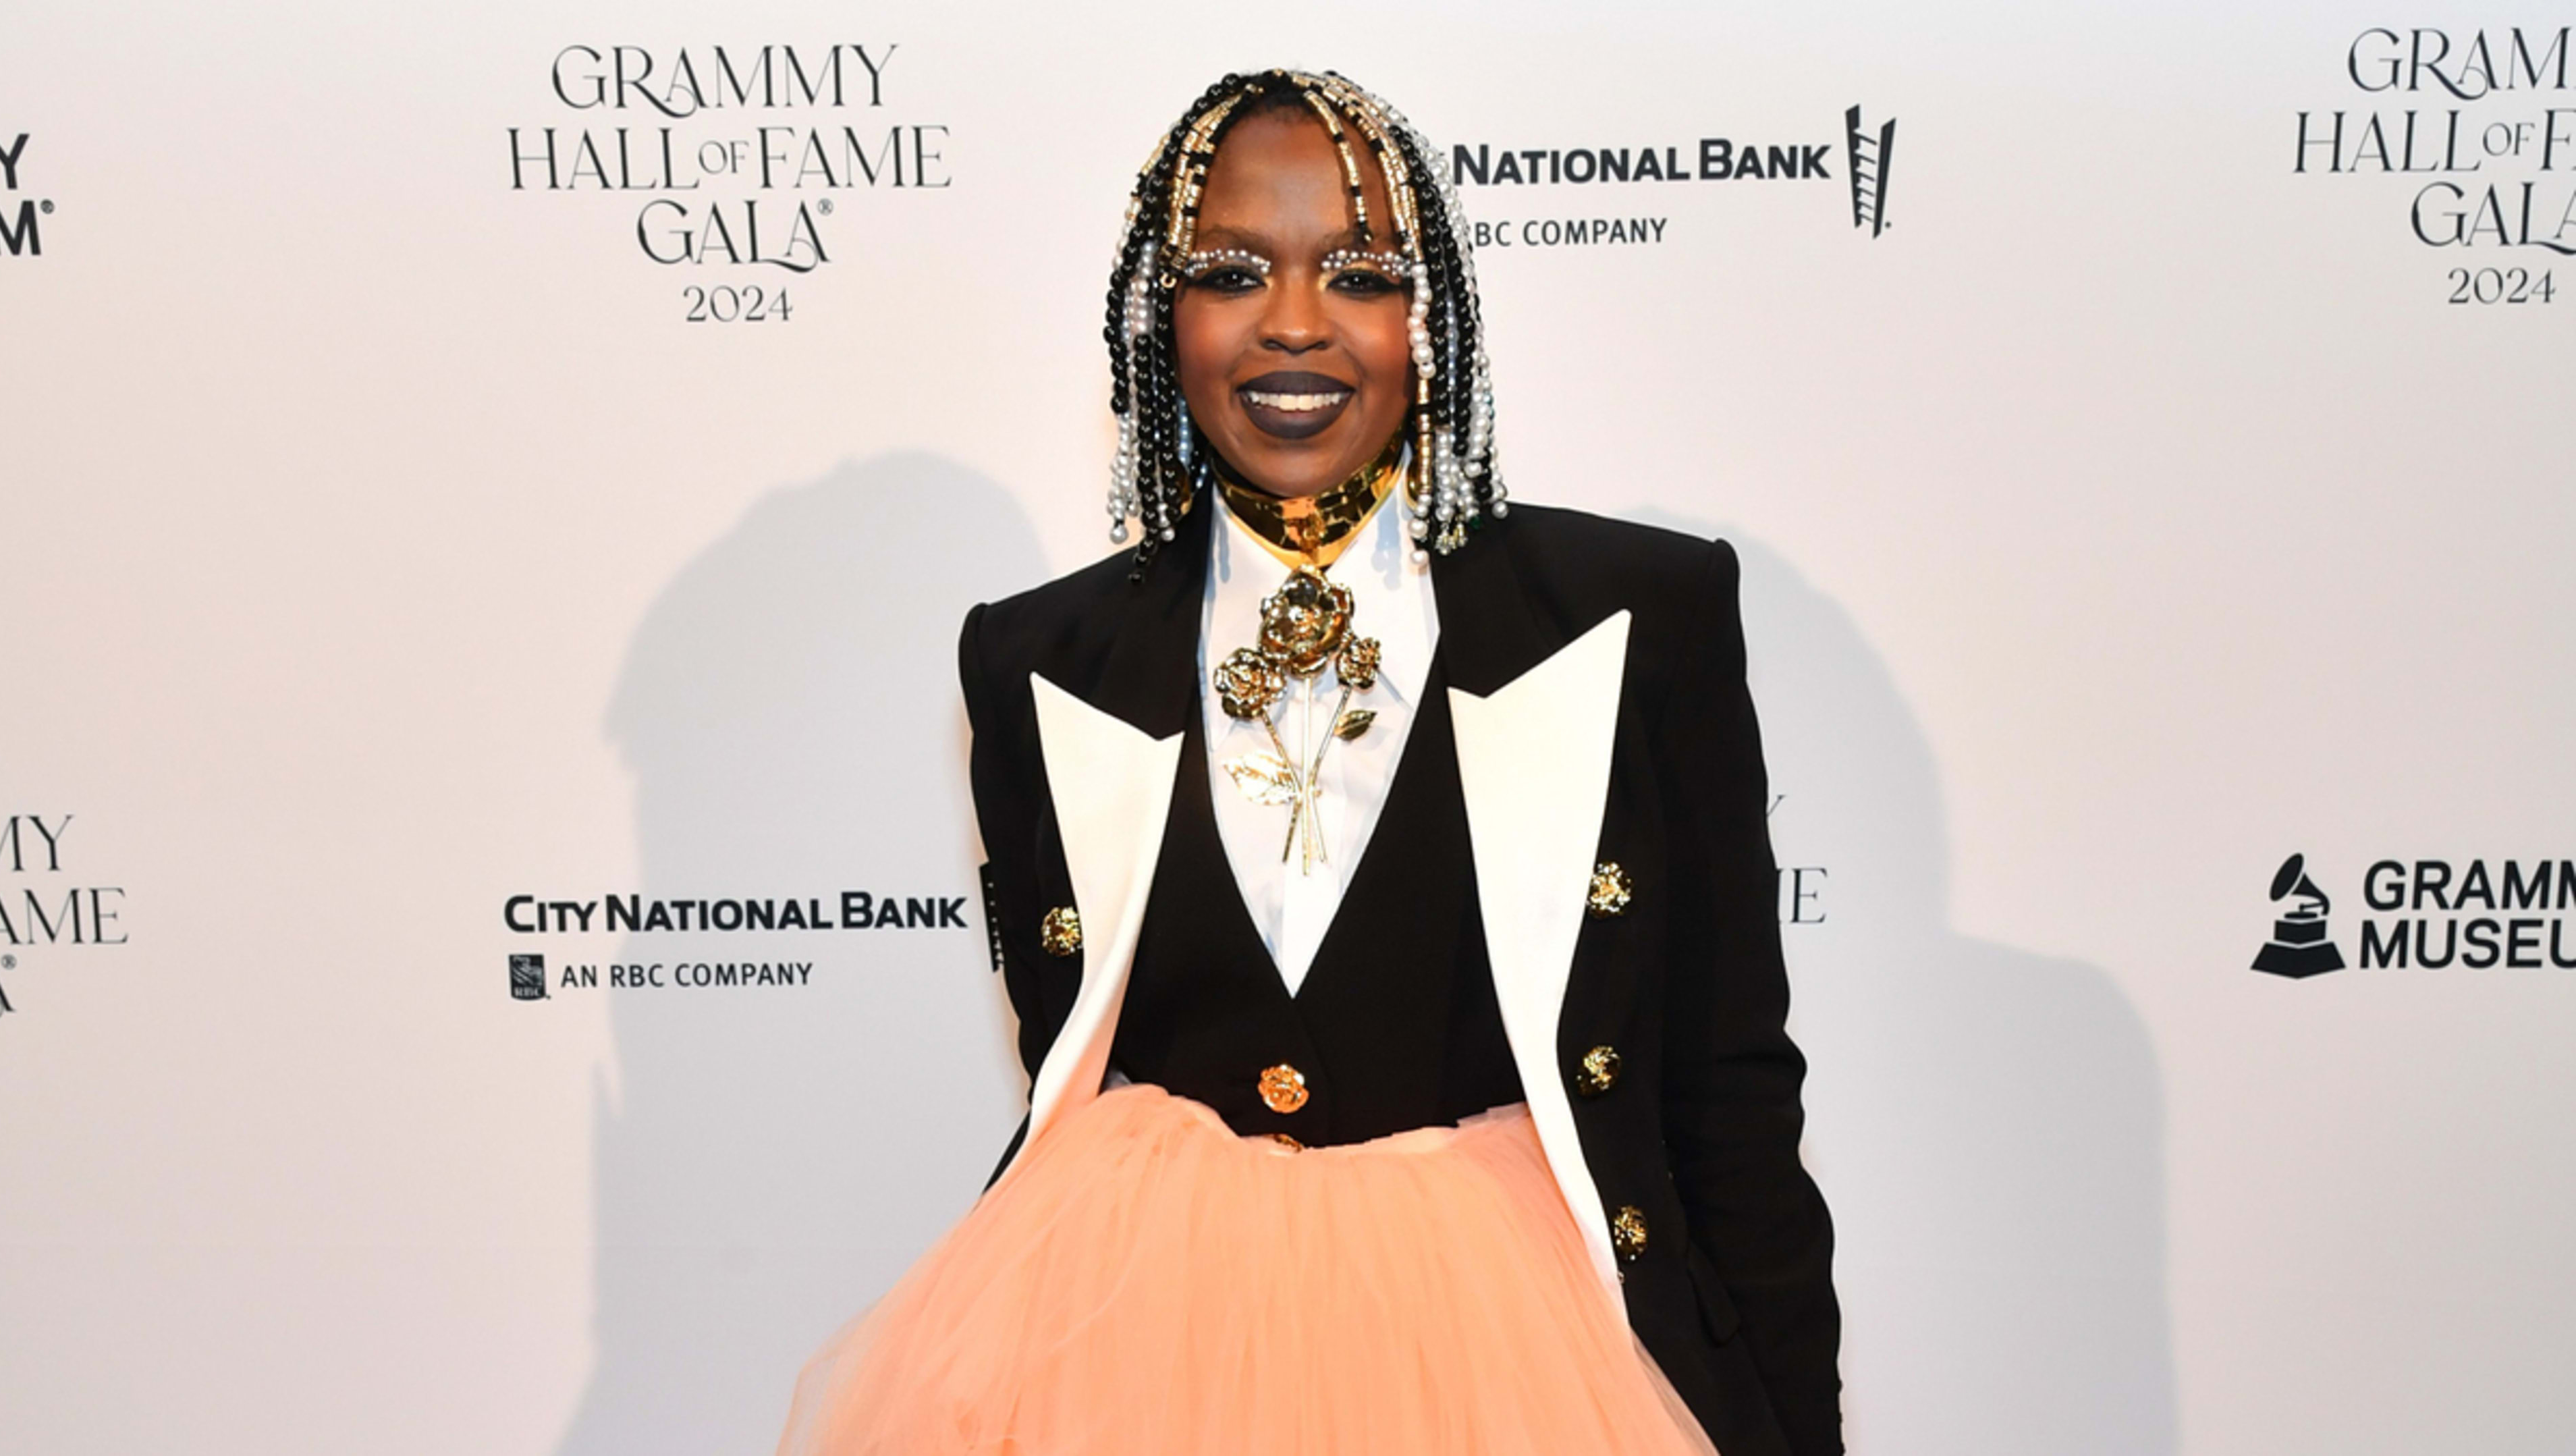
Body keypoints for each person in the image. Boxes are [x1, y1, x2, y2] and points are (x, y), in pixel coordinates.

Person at [777, 68, 1841, 1456]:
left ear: (1433, 313)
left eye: (1359, 272)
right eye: (1231, 270)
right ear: (1164, 315)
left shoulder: (1637, 618)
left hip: (1537, 1376)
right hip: (1141, 1387)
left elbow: (1729, 1095)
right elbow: (1073, 1081)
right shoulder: (1039, 659)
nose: (1293, 322)